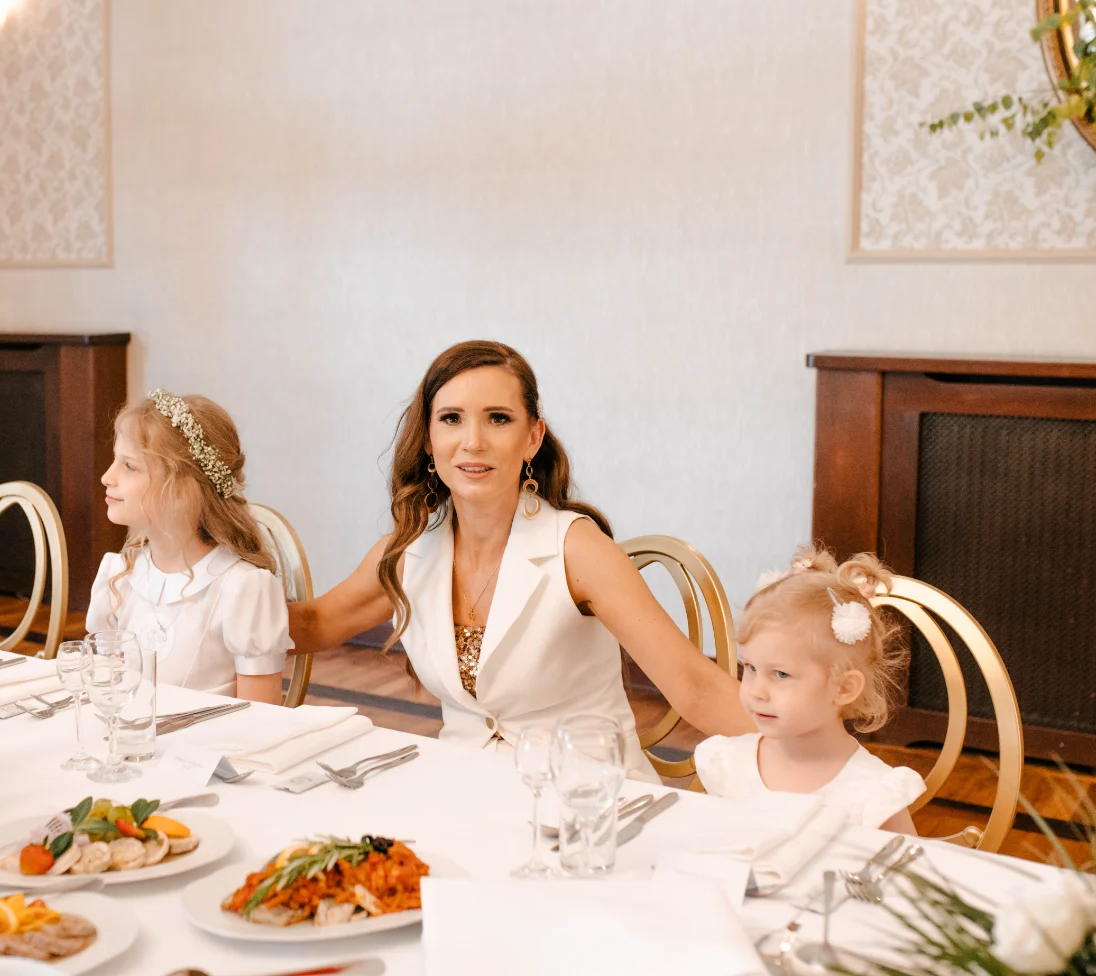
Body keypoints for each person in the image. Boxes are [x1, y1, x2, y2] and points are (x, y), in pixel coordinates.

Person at [288, 340, 750, 780]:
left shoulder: (578, 549)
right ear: (428, 439)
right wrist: (244, 587)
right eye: (451, 418)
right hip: (462, 789)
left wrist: (794, 756)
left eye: (498, 419)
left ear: (532, 438)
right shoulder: (408, 550)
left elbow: (695, 685)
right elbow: (317, 623)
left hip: (584, 800)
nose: (473, 441)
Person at [692, 547, 924, 832]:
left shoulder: (873, 793)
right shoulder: (729, 763)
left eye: (781, 674)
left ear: (843, 688)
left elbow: (903, 860)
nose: (757, 691)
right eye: (750, 668)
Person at [89, 389, 291, 703]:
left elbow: (262, 719)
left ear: (183, 489)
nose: (106, 477)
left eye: (129, 466)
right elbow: (103, 697)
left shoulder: (243, 590)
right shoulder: (119, 576)